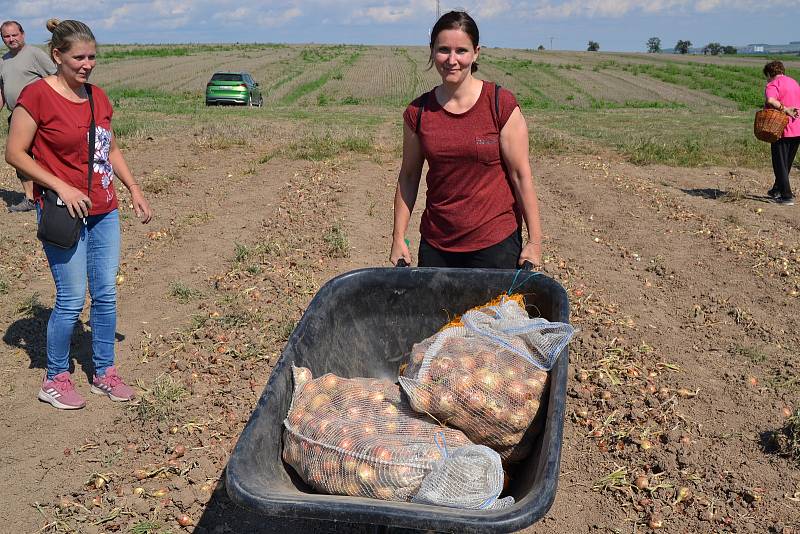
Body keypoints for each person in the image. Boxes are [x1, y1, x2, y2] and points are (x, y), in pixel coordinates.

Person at [5, 19, 153, 409]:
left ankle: (104, 372)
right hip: (63, 210)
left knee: (105, 294)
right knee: (71, 298)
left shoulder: (97, 97)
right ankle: (55, 377)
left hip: (104, 210)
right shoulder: (36, 96)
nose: (86, 64)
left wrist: (134, 189)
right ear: (57, 56)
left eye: (91, 57)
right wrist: (60, 185)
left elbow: (111, 149)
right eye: (78, 58)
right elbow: (15, 153)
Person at [390, 11, 543, 270]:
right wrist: (398, 237)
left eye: (461, 50)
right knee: (438, 312)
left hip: (495, 245)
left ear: (476, 53)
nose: (452, 60)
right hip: (437, 245)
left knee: (493, 312)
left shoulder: (499, 105)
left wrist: (535, 241)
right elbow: (408, 177)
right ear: (432, 52)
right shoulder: (418, 113)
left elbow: (520, 175)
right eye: (443, 50)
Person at [0, 20, 56, 212]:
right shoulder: (4, 60)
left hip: (38, 115)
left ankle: (52, 193)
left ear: (22, 34)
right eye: (6, 36)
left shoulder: (34, 54)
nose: (11, 39)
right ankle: (30, 198)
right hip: (16, 115)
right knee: (18, 157)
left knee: (44, 155)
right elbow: (3, 90)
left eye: (14, 35)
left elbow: (55, 77)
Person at [764, 61, 800, 206]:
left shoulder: (773, 85)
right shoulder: (794, 83)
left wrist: (785, 109)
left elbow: (771, 100)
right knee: (786, 163)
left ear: (769, 74)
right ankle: (776, 190)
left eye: (766, 76)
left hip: (781, 129)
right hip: (797, 127)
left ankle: (787, 196)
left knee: (780, 164)